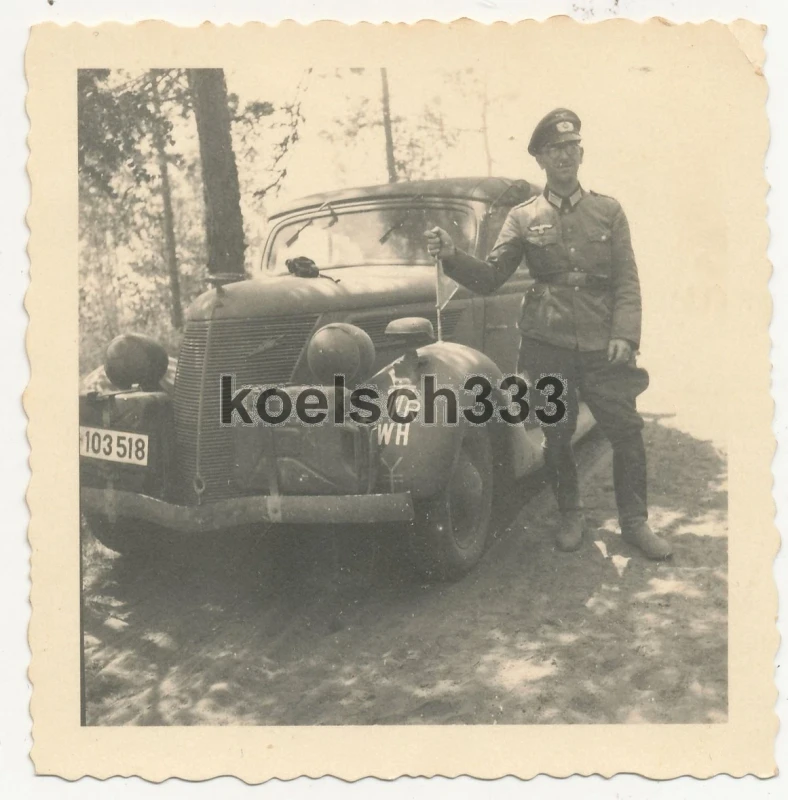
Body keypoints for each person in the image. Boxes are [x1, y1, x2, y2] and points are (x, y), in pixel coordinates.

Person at [425, 108, 671, 560]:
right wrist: (452, 255)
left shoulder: (608, 210)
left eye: (571, 146)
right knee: (556, 436)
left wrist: (625, 335)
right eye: (555, 149)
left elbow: (627, 280)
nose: (565, 155)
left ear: (582, 152)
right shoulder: (522, 217)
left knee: (627, 431)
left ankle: (635, 523)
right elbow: (490, 277)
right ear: (540, 158)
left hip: (604, 342)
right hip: (547, 343)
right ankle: (570, 513)